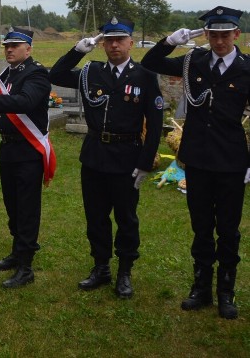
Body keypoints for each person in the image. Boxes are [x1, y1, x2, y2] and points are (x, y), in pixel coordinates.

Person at [141, 6, 250, 319]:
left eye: (225, 34)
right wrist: (170, 40)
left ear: (237, 34)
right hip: (196, 158)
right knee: (201, 227)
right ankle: (201, 288)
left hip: (231, 160)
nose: (220, 41)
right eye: (214, 34)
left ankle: (226, 291)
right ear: (206, 35)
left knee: (228, 229)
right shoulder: (192, 60)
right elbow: (151, 62)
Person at [49, 18, 164, 299]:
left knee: (126, 217)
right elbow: (57, 73)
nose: (114, 45)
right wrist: (77, 50)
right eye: (108, 40)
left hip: (127, 157)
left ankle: (124, 271)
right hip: (95, 156)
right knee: (96, 216)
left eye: (119, 40)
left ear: (130, 43)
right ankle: (101, 267)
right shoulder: (92, 71)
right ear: (102, 44)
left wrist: (145, 163)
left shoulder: (145, 75)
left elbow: (156, 122)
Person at [0, 27, 53, 288]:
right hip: (8, 149)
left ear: (28, 49)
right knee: (12, 206)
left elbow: (25, 102)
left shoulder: (37, 73)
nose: (9, 49)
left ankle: (26, 267)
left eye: (15, 45)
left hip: (29, 151)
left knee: (27, 209)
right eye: (7, 45)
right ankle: (17, 252)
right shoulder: (9, 73)